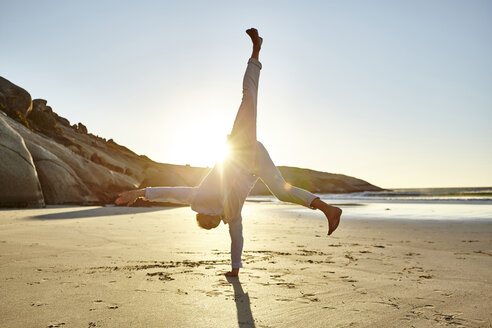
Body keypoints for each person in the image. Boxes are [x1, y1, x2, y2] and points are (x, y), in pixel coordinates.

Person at [115, 28, 342, 277]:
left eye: (209, 223)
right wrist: (235, 269)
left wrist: (139, 193)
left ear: (203, 216)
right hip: (254, 160)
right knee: (279, 189)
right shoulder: (230, 216)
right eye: (213, 225)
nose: (214, 223)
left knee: (248, 98)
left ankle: (256, 51)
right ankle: (327, 209)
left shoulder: (199, 197)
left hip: (240, 148)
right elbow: (237, 239)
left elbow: (170, 192)